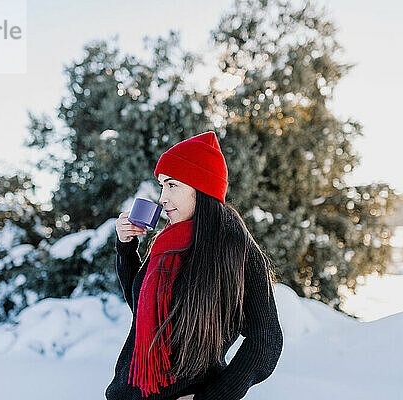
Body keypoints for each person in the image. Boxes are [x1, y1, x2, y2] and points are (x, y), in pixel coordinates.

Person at [105, 131, 283, 400]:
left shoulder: (236, 251)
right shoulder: (167, 245)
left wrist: (213, 397)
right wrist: (126, 247)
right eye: (162, 186)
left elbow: (266, 338)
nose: (163, 198)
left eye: (172, 185)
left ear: (201, 187)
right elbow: (141, 307)